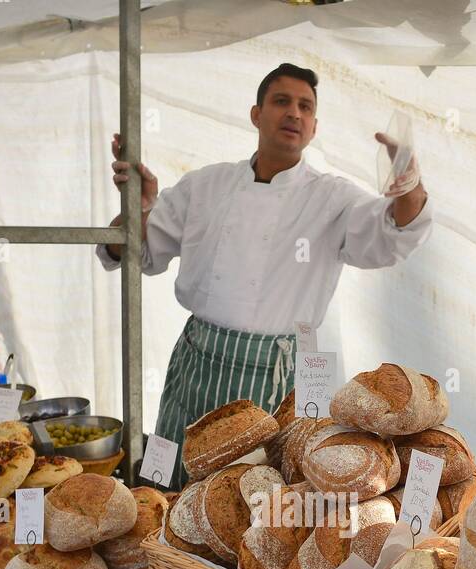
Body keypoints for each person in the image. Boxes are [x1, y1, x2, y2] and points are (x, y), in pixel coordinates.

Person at [99, 62, 432, 483]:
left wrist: (408, 182)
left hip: (276, 372)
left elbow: (395, 234)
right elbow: (134, 253)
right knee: (170, 483)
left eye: (305, 107)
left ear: (313, 128)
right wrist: (139, 209)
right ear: (256, 114)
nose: (294, 113)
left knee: (256, 499)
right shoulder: (204, 186)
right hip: (197, 361)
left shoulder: (333, 197)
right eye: (281, 101)